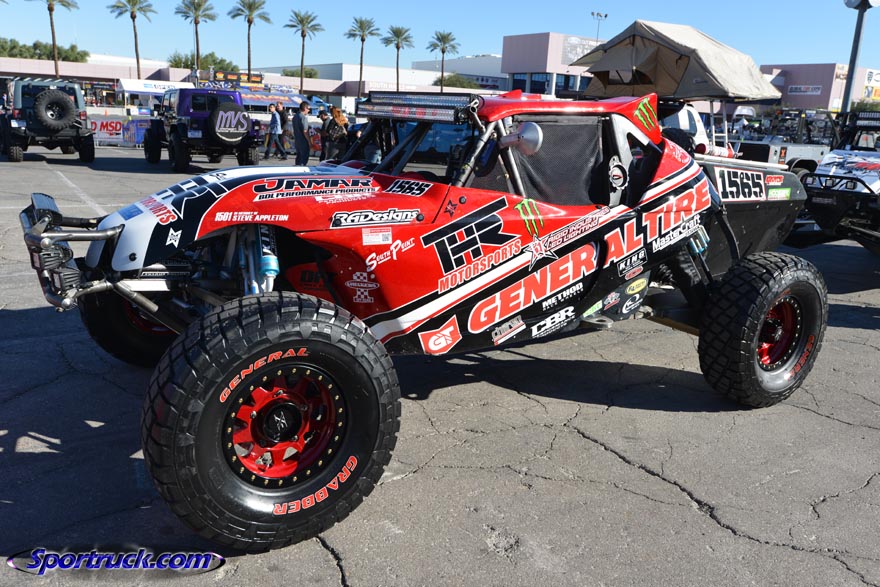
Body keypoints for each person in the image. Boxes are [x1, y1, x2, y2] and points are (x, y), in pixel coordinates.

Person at [292, 101, 312, 166]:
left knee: (298, 157)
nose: (309, 110)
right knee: (303, 159)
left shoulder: (295, 116)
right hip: (303, 141)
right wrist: (309, 142)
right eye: (308, 109)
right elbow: (305, 131)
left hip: (297, 140)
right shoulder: (303, 118)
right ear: (305, 108)